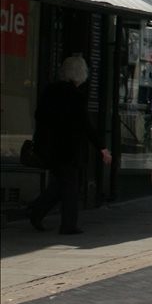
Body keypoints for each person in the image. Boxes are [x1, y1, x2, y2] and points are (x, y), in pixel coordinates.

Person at [29, 55, 112, 234]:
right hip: (68, 149)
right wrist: (102, 147)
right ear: (81, 74)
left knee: (61, 184)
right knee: (70, 187)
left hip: (48, 147)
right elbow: (85, 124)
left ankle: (36, 211)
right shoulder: (75, 96)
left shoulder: (50, 91)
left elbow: (39, 115)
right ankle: (67, 224)